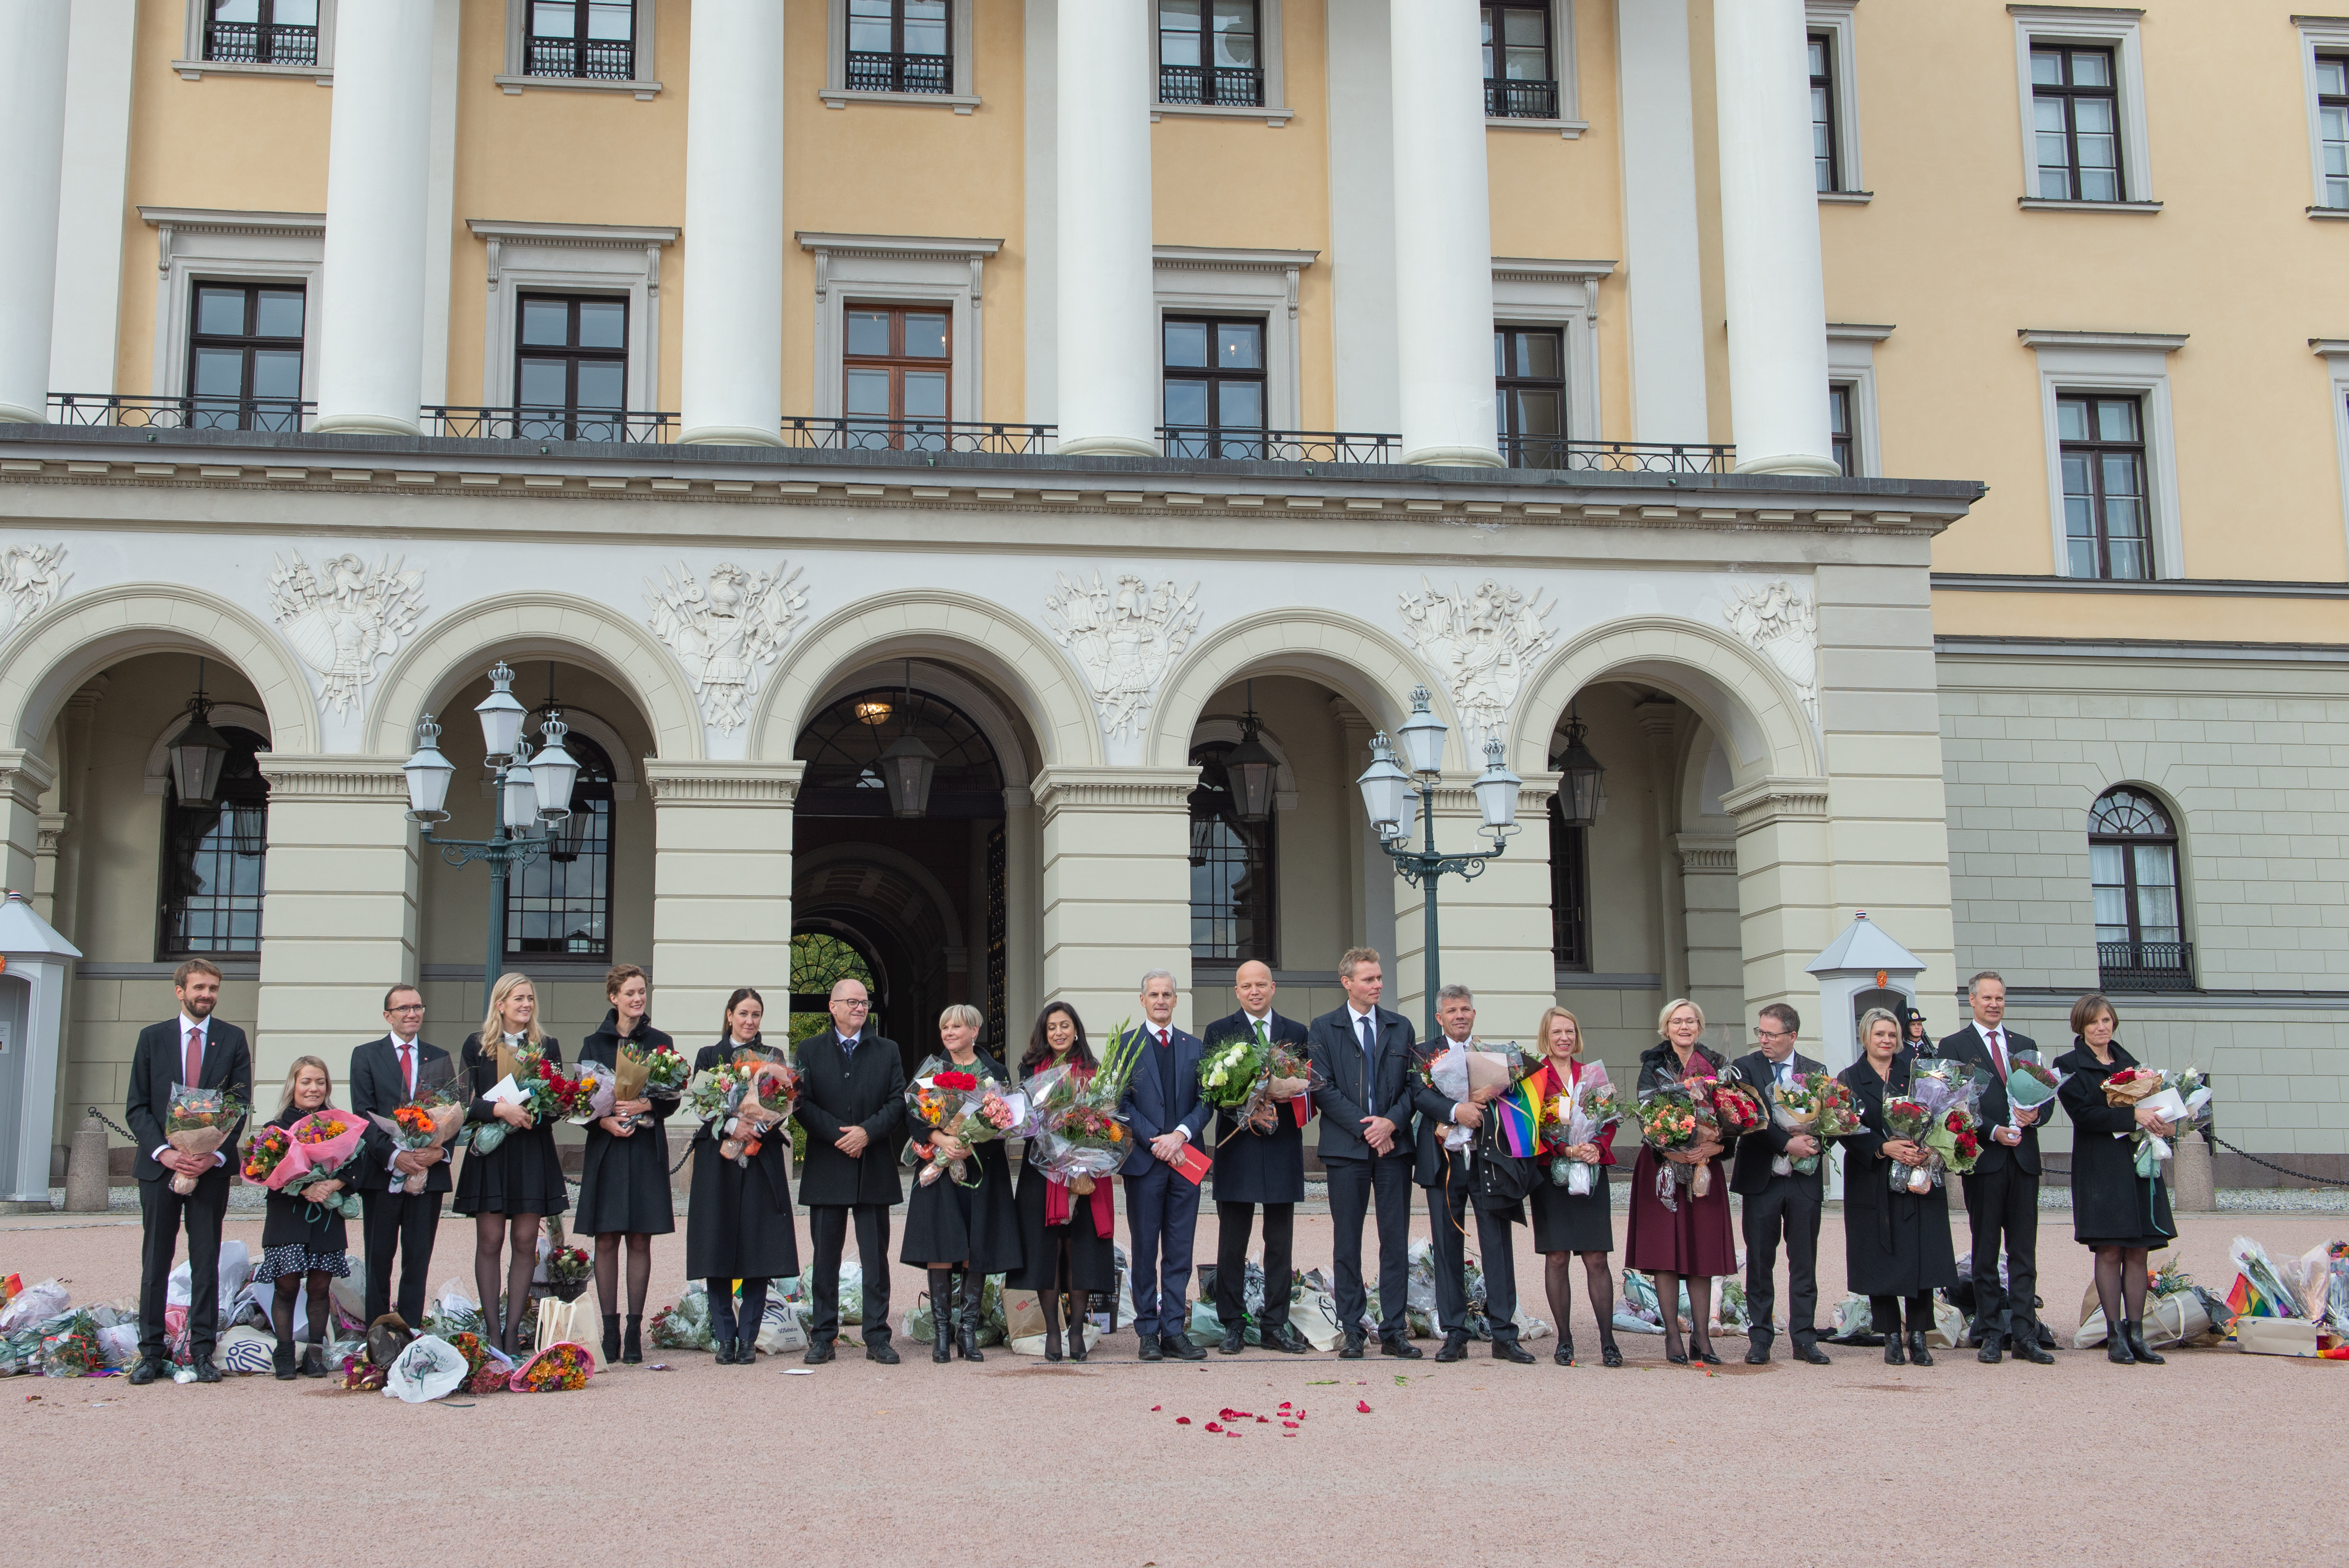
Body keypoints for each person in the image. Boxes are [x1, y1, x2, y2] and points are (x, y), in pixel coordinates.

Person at [126, 958, 253, 1385]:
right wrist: (165, 1152)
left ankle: (201, 1351)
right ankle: (150, 1352)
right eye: (199, 987)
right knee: (156, 1260)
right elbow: (137, 1107)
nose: (207, 995)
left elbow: (238, 1106)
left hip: (210, 1170)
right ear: (180, 990)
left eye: (213, 988)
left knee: (205, 1259)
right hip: (160, 1169)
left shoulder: (233, 1039)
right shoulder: (152, 1038)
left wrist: (210, 1156)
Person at [1410, 983, 1535, 1364]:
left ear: (1473, 1014)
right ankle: (1454, 1334)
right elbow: (1418, 1093)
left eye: (1465, 1009)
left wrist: (1488, 1096)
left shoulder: (1493, 1054)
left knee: (1497, 1245)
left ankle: (1503, 1334)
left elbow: (1513, 1096)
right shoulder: (1423, 1053)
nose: (1459, 1015)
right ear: (1439, 1017)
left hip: (1488, 1162)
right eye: (1452, 1010)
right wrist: (1455, 1110)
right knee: (1446, 1247)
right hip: (1441, 1161)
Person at [1306, 946, 1420, 1360]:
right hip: (1346, 1150)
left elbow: (1414, 1087)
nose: (1377, 985)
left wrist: (1390, 1122)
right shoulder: (1322, 1027)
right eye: (1368, 979)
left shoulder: (1400, 1026)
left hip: (1393, 1147)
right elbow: (1322, 1088)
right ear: (1347, 982)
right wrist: (1369, 1128)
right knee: (1347, 1240)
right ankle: (1352, 1328)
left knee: (1394, 1239)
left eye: (1379, 978)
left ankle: (1393, 1329)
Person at [1936, 971, 2055, 1365]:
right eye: (1986, 997)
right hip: (1985, 1160)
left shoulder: (2025, 1045)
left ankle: (2024, 1333)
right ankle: (1989, 1332)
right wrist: (1992, 1131)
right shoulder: (1954, 1045)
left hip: (2023, 1160)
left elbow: (2047, 1095)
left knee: (2023, 1251)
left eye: (1999, 998)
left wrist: (2034, 1114)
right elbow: (1952, 1103)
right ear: (1971, 1001)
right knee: (1985, 1251)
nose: (1993, 1004)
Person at [2056, 993, 2177, 1367]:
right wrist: (2134, 1116)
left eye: (2106, 1020)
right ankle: (2114, 1335)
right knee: (2110, 1249)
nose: (2100, 1027)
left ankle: (2137, 1332)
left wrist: (2162, 1119)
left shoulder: (2133, 1065)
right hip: (2100, 1168)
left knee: (2138, 1249)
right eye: (2093, 1022)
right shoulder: (2068, 1066)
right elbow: (2085, 1115)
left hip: (2134, 1165)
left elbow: (2151, 1107)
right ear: (2081, 1025)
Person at [1837, 1006, 1960, 1367]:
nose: (1887, 1040)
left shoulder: (1918, 1073)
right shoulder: (1850, 1077)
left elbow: (1942, 1115)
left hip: (1918, 1177)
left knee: (1922, 1256)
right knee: (1880, 1258)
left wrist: (1928, 1148)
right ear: (1865, 1038)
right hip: (1873, 1177)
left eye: (1892, 1034)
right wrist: (1882, 1146)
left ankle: (1919, 1334)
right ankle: (1891, 1335)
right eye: (1880, 1034)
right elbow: (1845, 1127)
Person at [900, 1004, 1023, 1364]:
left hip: (982, 1170)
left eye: (956, 1027)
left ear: (974, 1030)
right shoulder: (931, 1072)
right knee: (941, 1244)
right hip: (941, 1169)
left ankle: (967, 1333)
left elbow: (1007, 1119)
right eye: (945, 1028)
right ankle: (942, 1332)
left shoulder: (995, 1072)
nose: (949, 1033)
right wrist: (940, 1138)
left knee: (976, 1244)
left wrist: (974, 1137)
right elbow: (912, 1114)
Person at [1201, 960, 1312, 1355]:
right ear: (1237, 991)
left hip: (1282, 1146)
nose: (1254, 991)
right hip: (1238, 1146)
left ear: (1273, 987)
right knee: (1232, 1241)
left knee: (1279, 1242)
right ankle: (1232, 1323)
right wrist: (1248, 1111)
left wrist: (1285, 1101)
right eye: (1246, 985)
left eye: (1261, 984)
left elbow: (1310, 1088)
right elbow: (1210, 1091)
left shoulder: (1296, 1032)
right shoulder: (1218, 1031)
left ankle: (1275, 1324)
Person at [795, 976, 907, 1364]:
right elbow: (801, 1103)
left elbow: (898, 1101)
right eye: (852, 1002)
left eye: (865, 1002)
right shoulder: (808, 1049)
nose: (860, 1008)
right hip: (828, 1163)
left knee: (875, 1256)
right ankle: (823, 1336)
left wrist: (867, 1133)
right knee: (825, 1254)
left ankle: (877, 1336)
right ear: (833, 1006)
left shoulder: (887, 1049)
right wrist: (840, 1136)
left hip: (873, 1163)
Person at [453, 972, 566, 1357]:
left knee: (523, 1242)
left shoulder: (547, 1046)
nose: (526, 1004)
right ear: (500, 1003)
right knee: (490, 1241)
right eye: (518, 998)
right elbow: (465, 1104)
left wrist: (534, 1112)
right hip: (492, 1154)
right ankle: (491, 1329)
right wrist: (501, 1108)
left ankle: (513, 1330)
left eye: (530, 998)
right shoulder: (476, 1045)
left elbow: (557, 1103)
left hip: (531, 1152)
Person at [686, 988, 799, 1366]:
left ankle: (748, 1338)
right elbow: (704, 1103)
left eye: (756, 1015)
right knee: (716, 1246)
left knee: (757, 1248)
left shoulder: (774, 1058)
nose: (749, 1021)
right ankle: (724, 1337)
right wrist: (732, 1123)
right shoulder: (709, 1055)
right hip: (717, 1160)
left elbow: (783, 1105)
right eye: (743, 1013)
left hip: (760, 1157)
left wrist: (758, 1127)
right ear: (730, 1015)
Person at [574, 963, 676, 1367]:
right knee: (605, 1238)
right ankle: (610, 1328)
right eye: (630, 993)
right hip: (607, 1149)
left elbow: (672, 1097)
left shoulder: (660, 1041)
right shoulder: (592, 1043)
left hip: (645, 1147)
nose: (637, 999)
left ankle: (634, 1329)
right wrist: (604, 1120)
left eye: (642, 992)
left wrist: (645, 1103)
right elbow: (580, 1101)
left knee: (639, 1238)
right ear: (613, 997)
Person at [1624, 998, 1736, 1365]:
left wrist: (1715, 1144)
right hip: (1662, 1168)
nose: (1684, 1027)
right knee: (1667, 1255)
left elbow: (1732, 1114)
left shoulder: (1716, 1065)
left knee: (1701, 1254)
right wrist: (1671, 1150)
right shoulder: (1653, 1063)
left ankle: (1701, 1336)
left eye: (1690, 1021)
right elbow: (1646, 1116)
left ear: (1699, 1027)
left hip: (1704, 1166)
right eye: (1677, 1021)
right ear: (1665, 1027)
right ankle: (1673, 1334)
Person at [1007, 1002, 1116, 1361]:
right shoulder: (1029, 1068)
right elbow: (1023, 1121)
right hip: (1042, 1170)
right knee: (1046, 1250)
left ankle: (1076, 1329)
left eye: (1065, 1025)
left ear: (1075, 1030)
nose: (1058, 1032)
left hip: (1085, 1170)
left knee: (1079, 1249)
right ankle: (1052, 1331)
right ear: (1044, 1031)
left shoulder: (1094, 1070)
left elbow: (1105, 1118)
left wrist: (1086, 1138)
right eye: (1052, 1026)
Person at [1728, 1003, 1831, 1367]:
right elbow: (1745, 1118)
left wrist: (1812, 1139)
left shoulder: (1815, 1072)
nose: (1764, 1040)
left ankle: (1805, 1338)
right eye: (1760, 1032)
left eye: (1771, 1034)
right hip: (1762, 1178)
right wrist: (1785, 1142)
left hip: (1803, 1179)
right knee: (1759, 1261)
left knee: (1804, 1261)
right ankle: (1760, 1338)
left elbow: (1833, 1122)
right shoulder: (1744, 1067)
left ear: (1792, 1036)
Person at [1117, 970, 1211, 1361]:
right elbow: (1119, 1104)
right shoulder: (1124, 1045)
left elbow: (1208, 1100)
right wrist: (1157, 1140)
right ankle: (1147, 1332)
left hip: (1186, 1159)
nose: (1160, 1000)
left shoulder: (1195, 1046)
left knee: (1179, 1248)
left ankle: (1174, 1329)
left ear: (1176, 1001)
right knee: (1144, 1248)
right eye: (1153, 994)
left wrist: (1181, 1136)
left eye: (1167, 994)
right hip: (1145, 1161)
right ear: (1142, 1000)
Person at [350, 984, 452, 1330]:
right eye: (404, 1008)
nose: (412, 1013)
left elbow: (452, 1112)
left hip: (428, 1172)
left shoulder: (439, 1057)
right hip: (382, 1173)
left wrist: (436, 1151)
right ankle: (378, 1334)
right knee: (379, 1258)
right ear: (387, 1015)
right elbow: (362, 1114)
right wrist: (395, 1156)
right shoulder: (366, 1055)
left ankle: (409, 1330)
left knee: (418, 1258)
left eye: (418, 1006)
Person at [1528, 1006, 1620, 1368]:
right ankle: (1565, 1340)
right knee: (1557, 1257)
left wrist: (1596, 1147)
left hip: (1592, 1171)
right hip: (1552, 1175)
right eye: (1556, 1032)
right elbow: (1530, 1123)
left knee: (1597, 1257)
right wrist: (1563, 1148)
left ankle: (1608, 1341)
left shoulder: (1592, 1073)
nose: (1564, 1038)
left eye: (1569, 1031)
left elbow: (1608, 1121)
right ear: (1546, 1037)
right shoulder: (1534, 1077)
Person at [254, 1056, 353, 1379]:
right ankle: (284, 1352)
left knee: (320, 1288)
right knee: (286, 1288)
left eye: (320, 1082)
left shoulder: (341, 1126)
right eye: (306, 1082)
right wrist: (303, 1189)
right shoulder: (277, 1127)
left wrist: (334, 1183)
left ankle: (315, 1352)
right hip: (288, 1216)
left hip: (325, 1217)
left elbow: (358, 1167)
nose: (314, 1088)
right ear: (293, 1085)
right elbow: (266, 1171)